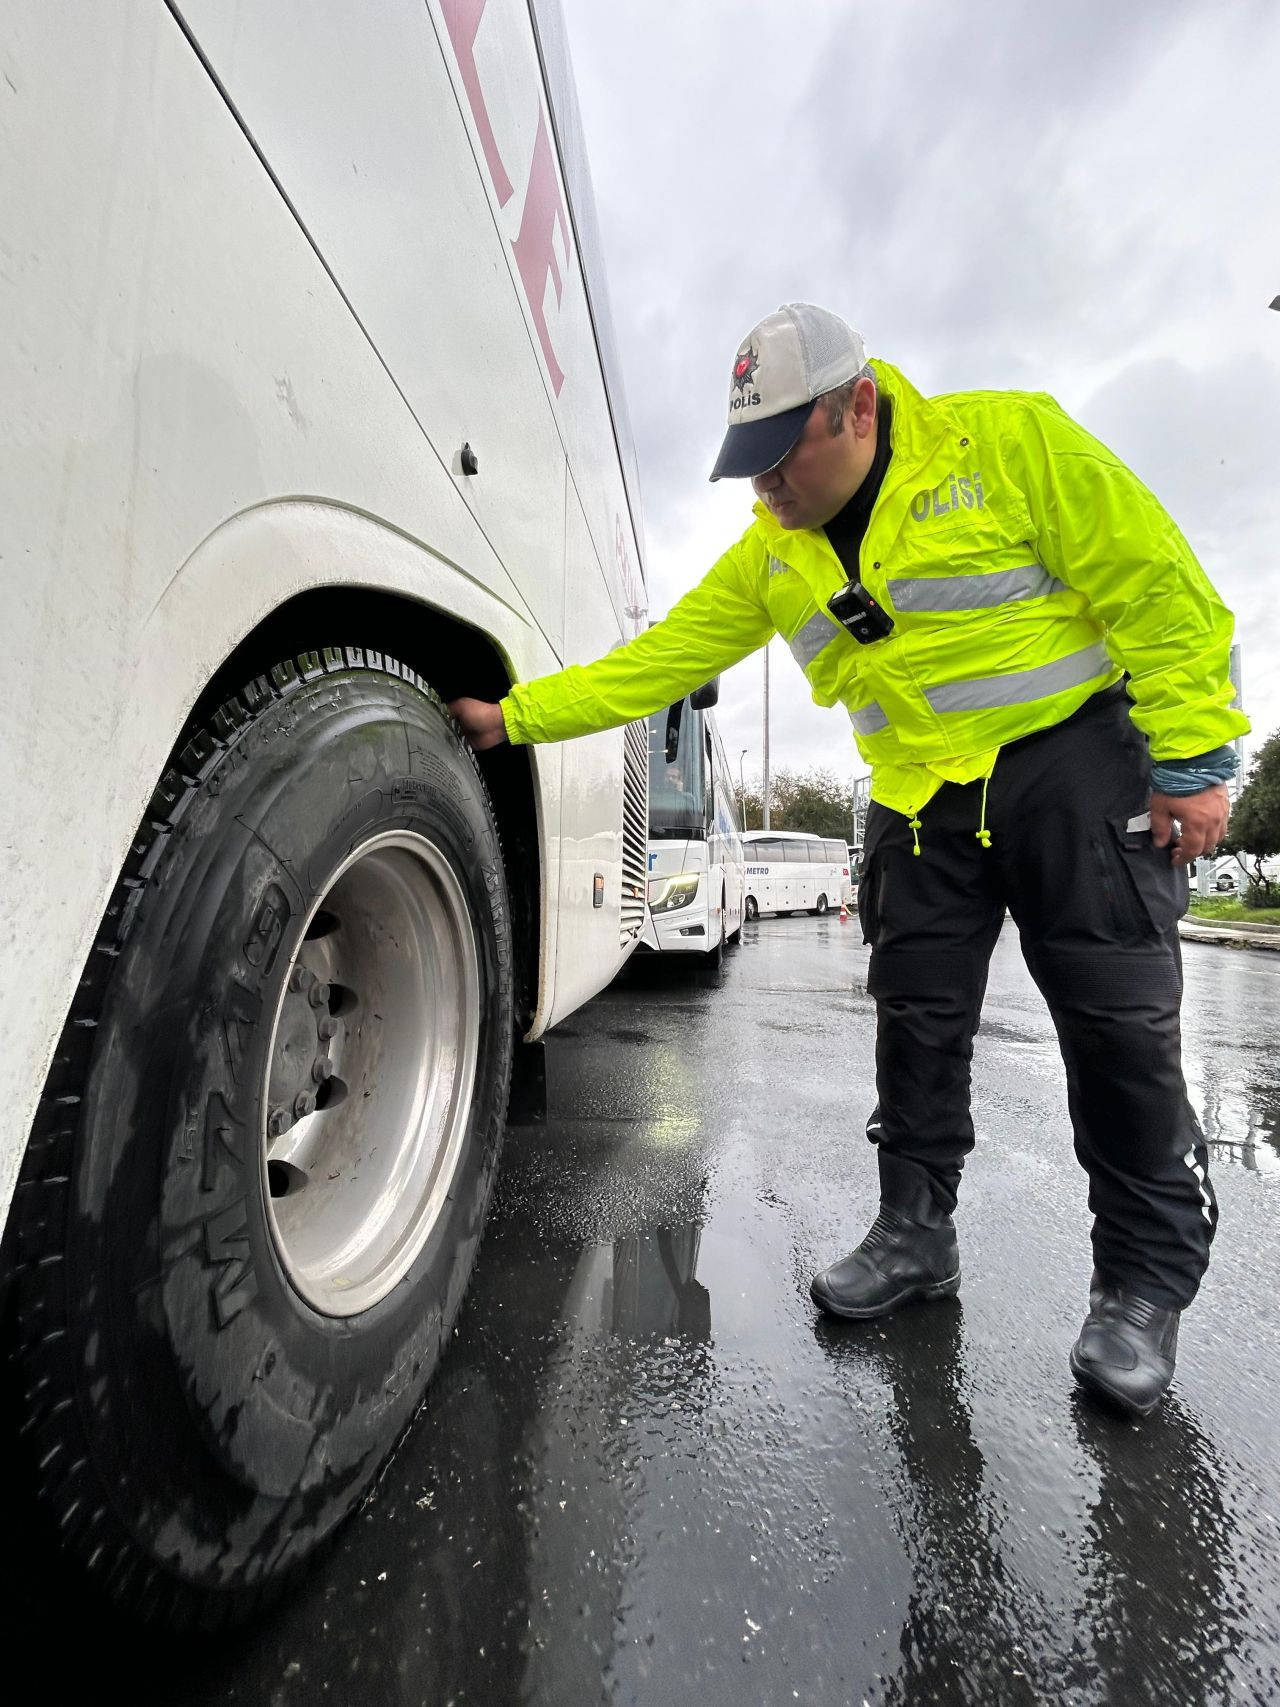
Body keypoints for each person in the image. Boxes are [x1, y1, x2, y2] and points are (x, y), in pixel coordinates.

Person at [451, 302, 1248, 1419]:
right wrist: (515, 718)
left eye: (783, 457)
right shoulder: (769, 557)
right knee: (915, 1025)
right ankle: (914, 1235)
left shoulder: (1006, 444)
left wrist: (1190, 756)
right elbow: (654, 663)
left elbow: (1154, 585)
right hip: (919, 797)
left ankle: (1139, 1287)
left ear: (857, 407)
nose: (765, 489)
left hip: (1071, 767)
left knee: (1115, 1028)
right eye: (750, 468)